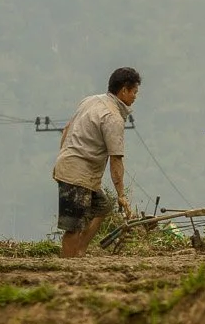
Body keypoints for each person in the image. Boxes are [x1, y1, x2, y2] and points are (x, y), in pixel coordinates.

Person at [54, 68, 141, 257]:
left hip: (73, 167)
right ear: (124, 90)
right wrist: (121, 195)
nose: (135, 96)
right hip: (76, 173)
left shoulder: (91, 100)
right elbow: (116, 159)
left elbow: (66, 130)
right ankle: (67, 267)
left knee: (103, 206)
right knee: (74, 227)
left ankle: (80, 251)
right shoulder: (113, 118)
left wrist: (64, 155)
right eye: (134, 91)